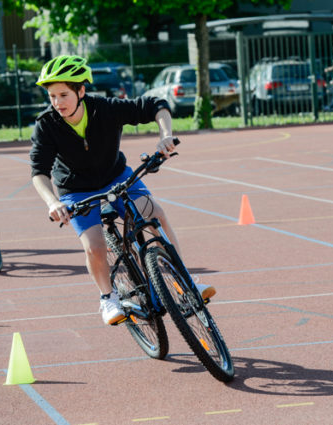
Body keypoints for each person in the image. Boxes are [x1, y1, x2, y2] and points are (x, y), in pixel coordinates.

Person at [29, 55, 215, 325]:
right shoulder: (46, 125)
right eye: (52, 96)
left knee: (155, 215)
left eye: (63, 94)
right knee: (94, 246)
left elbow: (156, 106)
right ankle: (108, 298)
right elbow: (39, 172)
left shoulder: (105, 109)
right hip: (76, 191)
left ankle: (186, 282)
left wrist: (165, 134)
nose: (57, 103)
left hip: (117, 178)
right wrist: (52, 202)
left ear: (81, 91)